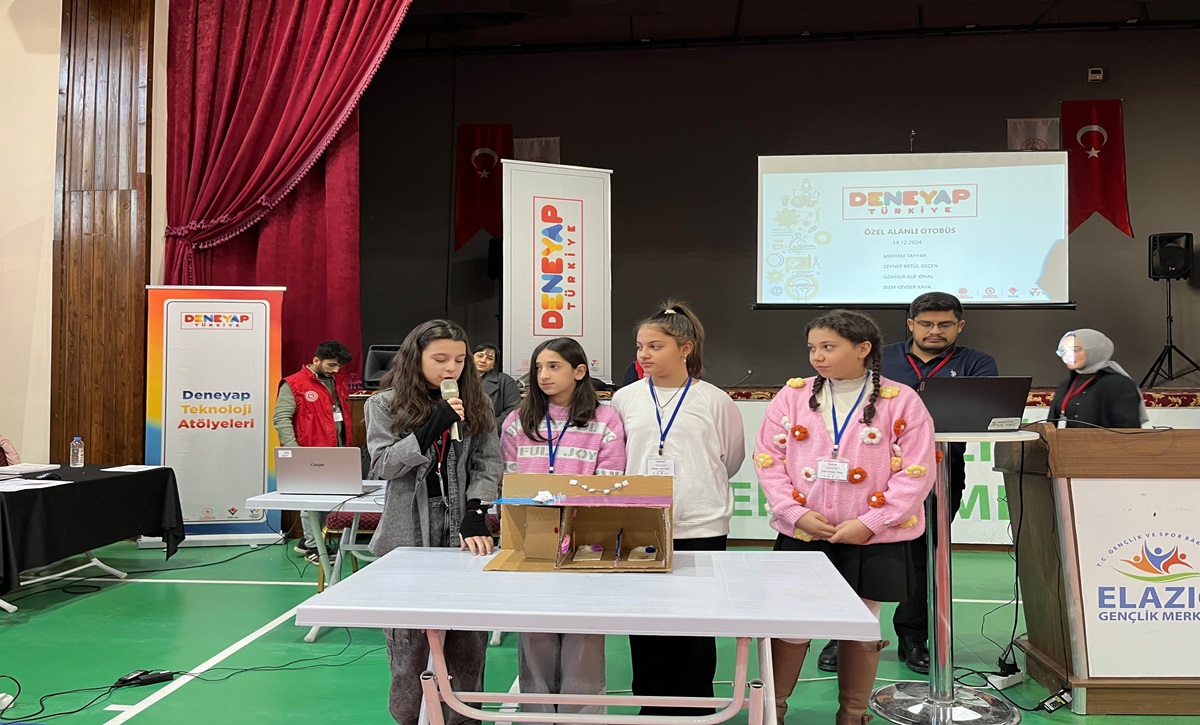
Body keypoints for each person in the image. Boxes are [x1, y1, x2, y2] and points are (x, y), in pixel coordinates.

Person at [754, 309, 936, 724]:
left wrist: (871, 523)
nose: (817, 356)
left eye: (828, 347)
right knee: (792, 621)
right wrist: (794, 512)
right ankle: (773, 710)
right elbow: (769, 459)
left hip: (870, 538)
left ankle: (852, 714)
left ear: (863, 349)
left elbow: (916, 472)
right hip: (803, 532)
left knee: (862, 620)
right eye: (812, 348)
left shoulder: (901, 400)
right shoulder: (793, 396)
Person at [816, 292, 999, 675]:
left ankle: (913, 637)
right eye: (926, 323)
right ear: (911, 324)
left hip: (940, 470)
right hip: (870, 475)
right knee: (854, 554)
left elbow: (984, 414)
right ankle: (842, 636)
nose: (935, 331)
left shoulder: (977, 363)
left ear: (960, 326)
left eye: (945, 324)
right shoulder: (881, 359)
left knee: (923, 556)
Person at [611, 300, 745, 716]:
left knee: (697, 624)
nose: (644, 355)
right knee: (645, 623)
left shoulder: (715, 400)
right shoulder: (624, 399)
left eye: (655, 346)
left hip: (701, 525)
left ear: (685, 348)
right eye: (640, 347)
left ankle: (695, 707)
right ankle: (650, 705)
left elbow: (731, 459)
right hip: (640, 522)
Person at [365, 320, 502, 725]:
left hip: (463, 534)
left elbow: (488, 462)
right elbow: (384, 465)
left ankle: (464, 718)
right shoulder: (384, 404)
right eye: (440, 359)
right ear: (416, 358)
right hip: (407, 536)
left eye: (459, 360)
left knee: (467, 646)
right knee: (409, 650)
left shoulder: (477, 403)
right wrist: (429, 429)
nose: (451, 368)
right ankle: (410, 718)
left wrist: (477, 512)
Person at [500, 337, 626, 722]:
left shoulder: (605, 420)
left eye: (554, 366)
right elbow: (510, 480)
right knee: (534, 633)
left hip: (587, 540)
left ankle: (582, 716)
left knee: (583, 635)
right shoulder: (516, 421)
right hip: (533, 539)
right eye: (539, 367)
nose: (544, 375)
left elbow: (611, 481)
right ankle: (536, 714)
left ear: (579, 371)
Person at [273, 340, 354, 563]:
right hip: (309, 453)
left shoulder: (337, 383)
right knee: (311, 501)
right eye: (331, 365)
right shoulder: (293, 384)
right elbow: (281, 418)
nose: (336, 370)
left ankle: (308, 541)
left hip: (337, 452)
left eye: (339, 366)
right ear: (316, 360)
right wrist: (294, 452)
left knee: (329, 500)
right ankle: (313, 547)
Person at [1050, 329, 1147, 429]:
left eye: (1075, 350)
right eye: (1063, 351)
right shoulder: (1065, 385)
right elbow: (1051, 424)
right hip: (1064, 439)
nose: (1067, 355)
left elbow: (1127, 431)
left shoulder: (1120, 384)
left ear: (1094, 350)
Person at [473, 343, 521, 433]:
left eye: (489, 358)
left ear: (494, 364)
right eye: (480, 356)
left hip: (492, 433)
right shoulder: (459, 378)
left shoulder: (505, 380)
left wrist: (492, 427)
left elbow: (513, 409)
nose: (483, 360)